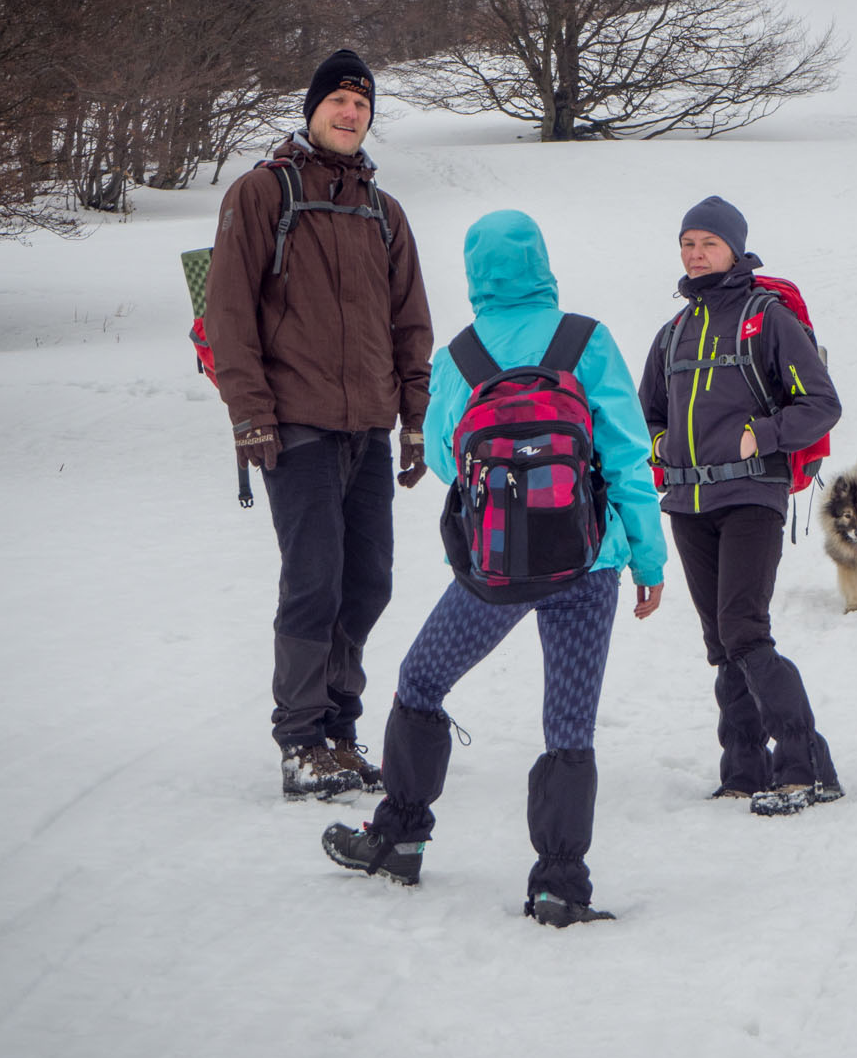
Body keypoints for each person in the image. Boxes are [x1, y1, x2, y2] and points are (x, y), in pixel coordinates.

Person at [321, 210, 666, 927]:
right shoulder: (586, 340)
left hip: (495, 563)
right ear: (543, 261)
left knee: (421, 680)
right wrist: (647, 559)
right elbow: (630, 456)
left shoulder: (461, 355)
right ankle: (560, 885)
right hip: (589, 561)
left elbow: (449, 458)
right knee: (569, 725)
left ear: (476, 274)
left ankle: (400, 837)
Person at [203, 49, 434, 800]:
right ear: (312, 111)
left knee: (368, 582)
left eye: (361, 105)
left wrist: (413, 422)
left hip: (367, 427)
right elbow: (228, 315)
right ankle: (301, 738)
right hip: (292, 425)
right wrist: (250, 417)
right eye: (338, 101)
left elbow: (410, 326)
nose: (350, 113)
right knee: (314, 582)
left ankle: (339, 728)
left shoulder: (382, 211)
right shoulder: (261, 193)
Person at [638, 196, 844, 816]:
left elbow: (821, 404)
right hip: (688, 501)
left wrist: (767, 434)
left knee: (745, 631)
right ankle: (744, 768)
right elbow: (645, 414)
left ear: (735, 248)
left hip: (753, 494)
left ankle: (805, 768)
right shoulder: (672, 333)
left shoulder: (768, 319)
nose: (696, 254)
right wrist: (660, 445)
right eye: (687, 243)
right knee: (721, 642)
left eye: (708, 243)